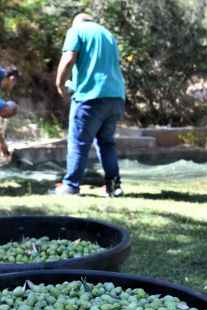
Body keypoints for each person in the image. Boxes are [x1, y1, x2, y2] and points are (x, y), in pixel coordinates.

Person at [52, 13, 126, 197]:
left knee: (78, 142)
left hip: (90, 98)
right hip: (116, 97)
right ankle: (114, 187)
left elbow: (69, 59)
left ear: (76, 22)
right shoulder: (109, 35)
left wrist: (60, 84)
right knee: (106, 143)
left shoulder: (76, 30)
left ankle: (70, 186)